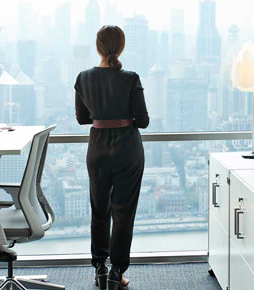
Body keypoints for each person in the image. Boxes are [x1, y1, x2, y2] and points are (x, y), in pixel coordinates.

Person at [74, 25, 149, 290]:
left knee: (99, 209)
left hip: (98, 148)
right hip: (127, 148)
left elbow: (83, 119)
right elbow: (143, 121)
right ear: (121, 47)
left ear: (98, 47)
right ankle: (118, 271)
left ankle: (100, 269)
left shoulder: (83, 77)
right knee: (123, 212)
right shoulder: (130, 78)